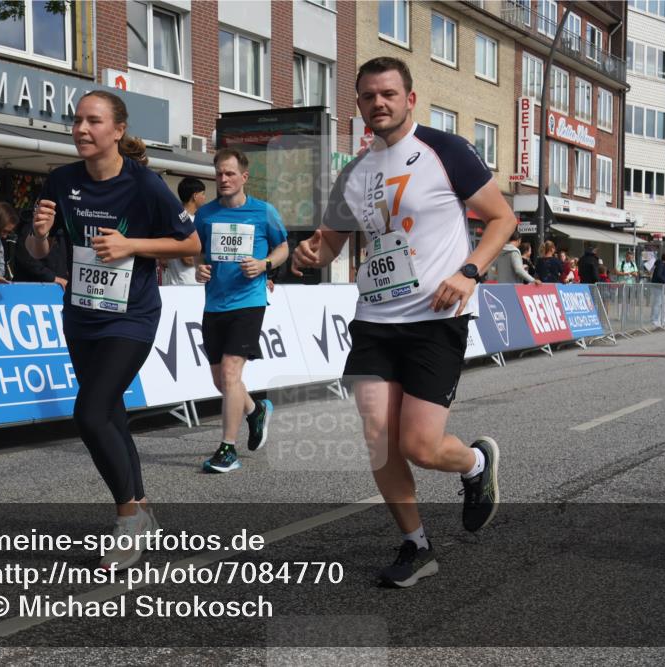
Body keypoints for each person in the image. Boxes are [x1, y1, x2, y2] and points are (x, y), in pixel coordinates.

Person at [291, 57, 514, 588]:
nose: (379, 104)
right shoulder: (354, 172)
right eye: (369, 96)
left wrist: (469, 272)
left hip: (436, 318)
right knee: (378, 435)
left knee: (420, 446)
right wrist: (309, 253)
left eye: (389, 94)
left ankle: (474, 464)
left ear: (410, 99)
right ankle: (416, 544)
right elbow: (330, 244)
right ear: (359, 103)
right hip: (375, 318)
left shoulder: (446, 151)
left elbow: (502, 218)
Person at [28, 90, 200, 568]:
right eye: (77, 120)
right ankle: (142, 506)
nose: (82, 129)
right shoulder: (61, 179)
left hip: (131, 316)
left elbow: (191, 243)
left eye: (94, 121)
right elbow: (38, 251)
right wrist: (39, 236)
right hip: (81, 314)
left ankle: (127, 518)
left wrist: (131, 245)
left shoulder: (144, 184)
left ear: (118, 130)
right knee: (111, 414)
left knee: (90, 412)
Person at [195, 148, 289, 473]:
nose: (223, 179)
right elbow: (196, 252)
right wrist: (199, 268)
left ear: (244, 177)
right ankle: (255, 409)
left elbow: (283, 247)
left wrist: (264, 264)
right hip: (214, 303)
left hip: (249, 302)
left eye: (230, 173)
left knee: (231, 374)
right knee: (220, 381)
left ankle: (227, 449)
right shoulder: (205, 215)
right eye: (219, 173)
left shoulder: (264, 212)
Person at [161, 177, 206, 285]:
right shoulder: (184, 221)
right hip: (187, 285)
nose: (205, 198)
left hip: (185, 284)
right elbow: (187, 259)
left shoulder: (177, 219)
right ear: (195, 196)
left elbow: (163, 259)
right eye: (203, 194)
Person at [13, 207, 68, 289]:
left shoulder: (62, 230)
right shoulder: (32, 227)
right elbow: (27, 259)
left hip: (58, 287)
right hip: (32, 287)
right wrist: (53, 278)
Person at [649, 253, 665, 327]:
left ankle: (663, 320)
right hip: (658, 287)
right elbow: (658, 275)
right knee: (658, 304)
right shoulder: (660, 265)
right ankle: (655, 320)